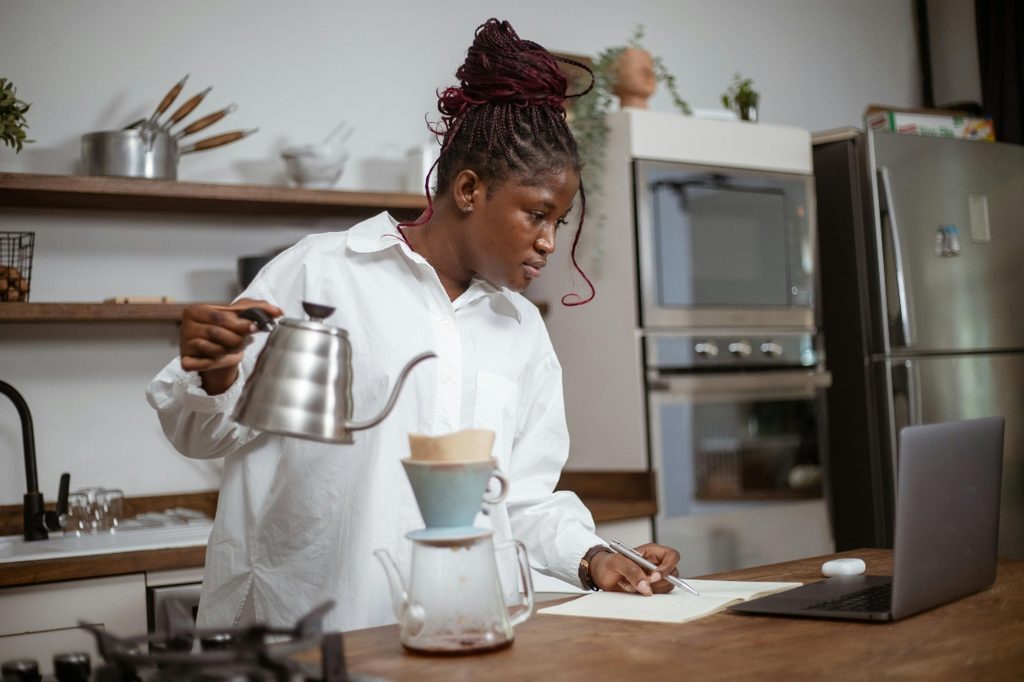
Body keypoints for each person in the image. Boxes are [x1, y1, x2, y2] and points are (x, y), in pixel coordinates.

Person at [147, 18, 681, 632]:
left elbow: (521, 500)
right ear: (469, 188)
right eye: (537, 215)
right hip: (309, 639)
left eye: (558, 223)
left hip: (460, 638)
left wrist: (593, 556)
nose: (548, 243)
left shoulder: (521, 332)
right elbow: (204, 437)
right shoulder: (323, 278)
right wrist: (216, 377)